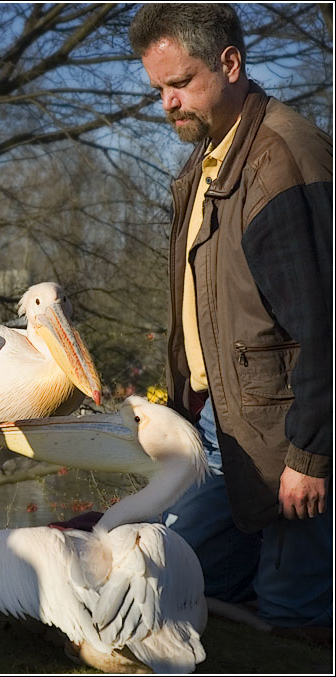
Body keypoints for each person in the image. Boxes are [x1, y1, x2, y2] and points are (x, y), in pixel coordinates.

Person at [128, 3, 332, 638]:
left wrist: (313, 454)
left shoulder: (282, 160)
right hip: (229, 428)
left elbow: (324, 321)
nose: (167, 103)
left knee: (292, 615)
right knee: (174, 576)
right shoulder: (210, 159)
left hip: (292, 433)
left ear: (231, 63)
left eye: (180, 83)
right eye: (158, 89)